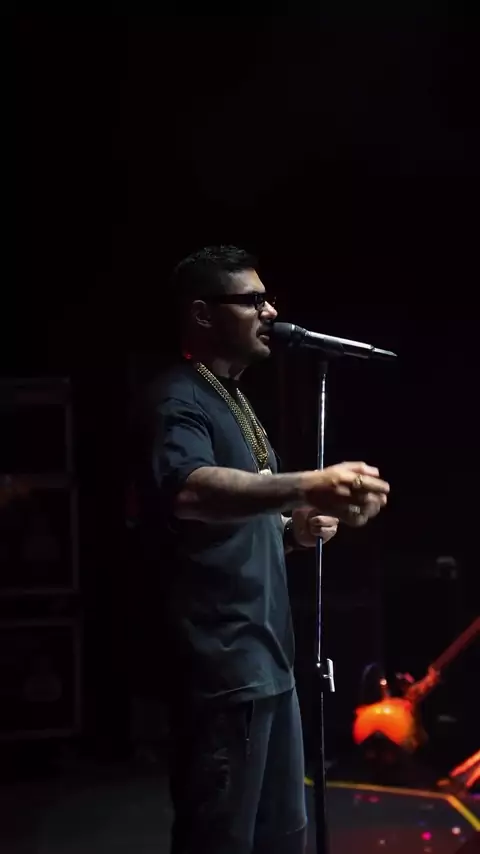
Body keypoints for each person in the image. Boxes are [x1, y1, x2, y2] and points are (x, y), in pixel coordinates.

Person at [135, 245, 390, 854]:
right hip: (223, 666)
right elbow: (190, 492)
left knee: (283, 837)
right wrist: (306, 484)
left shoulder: (233, 398)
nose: (270, 312)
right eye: (251, 301)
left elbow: (239, 520)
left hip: (270, 660)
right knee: (223, 838)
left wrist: (292, 529)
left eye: (267, 299)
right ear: (202, 313)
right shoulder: (177, 397)